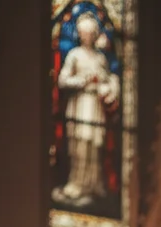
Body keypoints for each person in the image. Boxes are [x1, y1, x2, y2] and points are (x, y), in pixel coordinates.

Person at [53, 12, 120, 208]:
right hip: (80, 104)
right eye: (83, 32)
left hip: (96, 106)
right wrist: (83, 81)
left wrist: (107, 87)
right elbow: (63, 80)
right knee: (80, 143)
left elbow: (109, 81)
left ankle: (94, 184)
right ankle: (77, 183)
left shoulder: (100, 58)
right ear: (80, 34)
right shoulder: (74, 55)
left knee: (95, 144)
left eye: (91, 33)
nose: (87, 36)